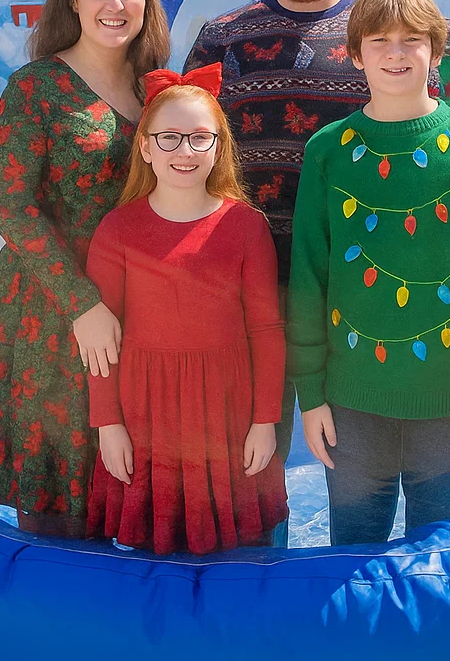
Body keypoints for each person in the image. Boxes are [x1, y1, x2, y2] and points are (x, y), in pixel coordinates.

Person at [286, 0, 450, 546]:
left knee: (438, 559)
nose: (396, 53)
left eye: (412, 39)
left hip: (449, 407)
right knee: (351, 555)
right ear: (356, 53)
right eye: (379, 40)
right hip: (350, 405)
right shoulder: (328, 150)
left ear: (436, 51)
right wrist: (311, 396)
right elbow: (309, 277)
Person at [183, 0, 373, 546]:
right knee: (250, 452)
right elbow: (188, 157)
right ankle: (257, 581)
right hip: (248, 287)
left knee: (358, 457)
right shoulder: (223, 36)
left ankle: (352, 585)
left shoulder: (383, 33)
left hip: (358, 286)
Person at [0, 0, 170, 537]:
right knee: (61, 496)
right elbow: (10, 206)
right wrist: (82, 304)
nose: (116, 4)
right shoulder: (34, 87)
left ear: (147, 3)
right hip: (52, 306)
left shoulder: (157, 90)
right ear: (73, 1)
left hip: (137, 301)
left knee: (134, 477)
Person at [84, 65, 288, 555]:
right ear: (146, 148)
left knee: (236, 553)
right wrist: (108, 424)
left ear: (219, 146)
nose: (185, 151)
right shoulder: (117, 230)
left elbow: (266, 329)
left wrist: (265, 422)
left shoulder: (246, 226)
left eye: (200, 138)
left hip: (226, 413)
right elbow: (101, 348)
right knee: (154, 551)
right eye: (169, 138)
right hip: (146, 413)